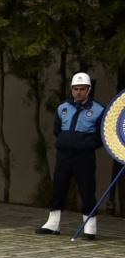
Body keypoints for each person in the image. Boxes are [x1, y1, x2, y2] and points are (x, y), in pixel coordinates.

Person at [38, 72, 105, 240]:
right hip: (64, 154)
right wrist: (65, 142)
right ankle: (53, 224)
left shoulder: (98, 110)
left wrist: (86, 145)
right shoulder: (63, 107)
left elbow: (102, 136)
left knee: (87, 189)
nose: (78, 92)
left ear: (89, 90)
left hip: (84, 156)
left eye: (82, 89)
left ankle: (90, 227)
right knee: (59, 187)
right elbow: (57, 130)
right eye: (75, 89)